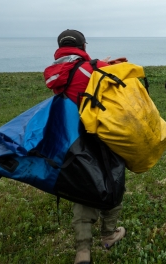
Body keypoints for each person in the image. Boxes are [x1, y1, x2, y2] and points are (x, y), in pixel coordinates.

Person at [43, 29, 127, 264]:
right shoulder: (92, 65)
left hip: (72, 140)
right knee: (113, 181)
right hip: (101, 136)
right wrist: (109, 63)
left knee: (83, 186)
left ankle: (83, 251)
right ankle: (109, 234)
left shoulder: (56, 73)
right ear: (82, 46)